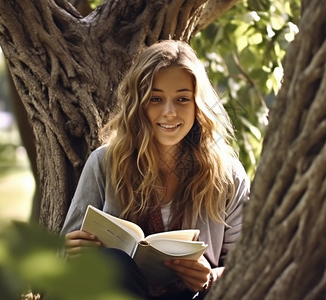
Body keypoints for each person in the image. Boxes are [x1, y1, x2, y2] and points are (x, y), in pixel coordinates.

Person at [60, 40, 250, 299]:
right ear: (138, 104)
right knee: (114, 263)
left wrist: (210, 277)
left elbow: (250, 264)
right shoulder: (104, 163)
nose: (169, 112)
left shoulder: (227, 175)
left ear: (198, 105)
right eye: (156, 99)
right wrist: (73, 250)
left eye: (182, 99)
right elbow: (60, 258)